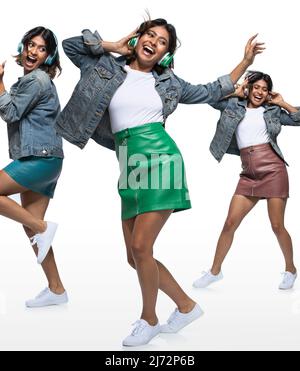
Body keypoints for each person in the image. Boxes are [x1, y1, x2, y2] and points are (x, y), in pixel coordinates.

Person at [56, 18, 263, 346]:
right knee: (134, 255)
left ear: (166, 52)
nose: (154, 41)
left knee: (141, 247)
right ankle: (185, 305)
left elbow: (210, 90)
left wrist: (245, 63)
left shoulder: (168, 83)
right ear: (138, 38)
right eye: (149, 34)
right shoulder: (105, 68)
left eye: (163, 41)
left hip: (160, 159)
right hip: (128, 162)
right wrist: (111, 45)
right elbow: (68, 45)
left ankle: (149, 318)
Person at [193, 71, 300, 291]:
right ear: (249, 88)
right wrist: (235, 90)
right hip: (249, 173)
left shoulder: (273, 111)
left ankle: (291, 269)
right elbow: (212, 99)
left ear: (269, 93)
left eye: (264, 89)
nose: (260, 92)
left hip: (273, 170)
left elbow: (298, 118)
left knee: (277, 225)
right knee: (230, 223)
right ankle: (215, 271)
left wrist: (283, 103)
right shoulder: (233, 105)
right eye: (256, 87)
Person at [0, 26, 68, 307]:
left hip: (39, 159)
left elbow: (9, 112)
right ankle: (56, 290)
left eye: (41, 49)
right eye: (31, 44)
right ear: (23, 46)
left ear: (48, 57)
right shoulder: (29, 81)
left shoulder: (37, 80)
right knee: (33, 233)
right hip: (45, 160)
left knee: (37, 227)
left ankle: (43, 226)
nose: (33, 51)